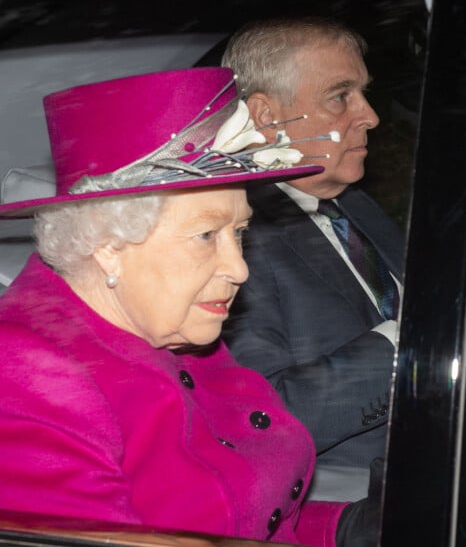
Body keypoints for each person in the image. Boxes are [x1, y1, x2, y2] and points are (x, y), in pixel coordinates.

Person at [0, 67, 381, 546]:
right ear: (108, 245)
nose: (239, 269)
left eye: (238, 233)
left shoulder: (179, 335)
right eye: (206, 235)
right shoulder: (23, 375)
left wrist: (349, 528)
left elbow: (256, 515)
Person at [220, 17, 405, 476]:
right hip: (352, 491)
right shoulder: (233, 237)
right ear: (266, 117)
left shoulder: (355, 206)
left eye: (363, 92)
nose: (370, 116)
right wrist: (403, 342)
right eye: (340, 96)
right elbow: (269, 416)